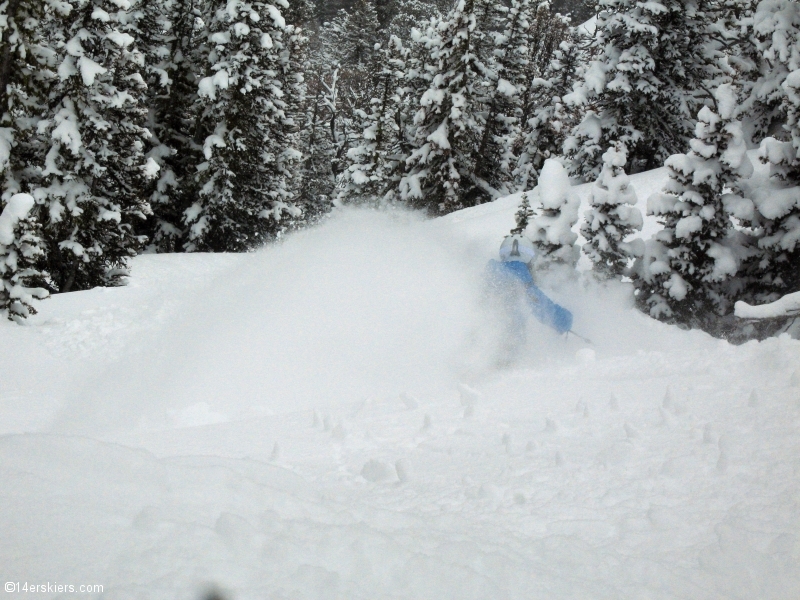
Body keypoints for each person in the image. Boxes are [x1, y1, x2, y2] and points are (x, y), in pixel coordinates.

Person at [485, 234, 574, 336]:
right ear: (528, 257)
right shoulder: (522, 278)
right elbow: (544, 309)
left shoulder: (491, 273)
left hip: (482, 335)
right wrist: (565, 321)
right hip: (508, 340)